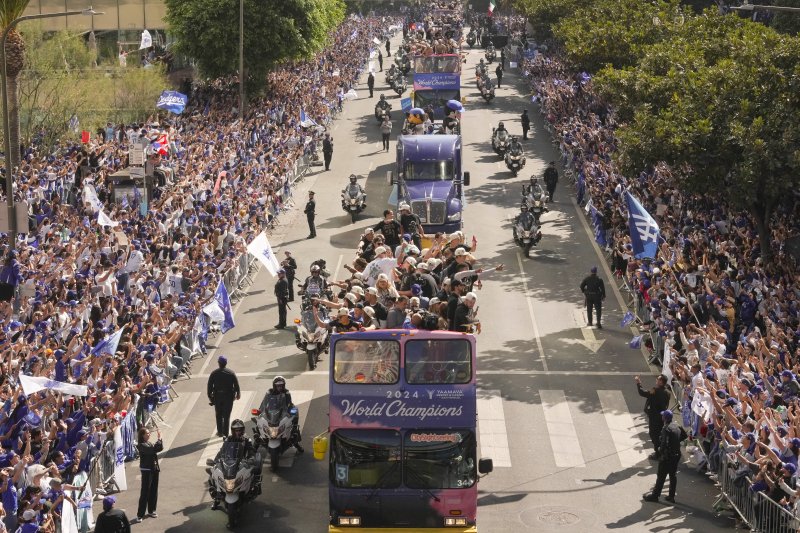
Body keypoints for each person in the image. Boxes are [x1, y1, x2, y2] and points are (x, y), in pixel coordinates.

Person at [644, 410, 686, 504]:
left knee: (661, 476)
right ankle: (671, 496)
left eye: (662, 416)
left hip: (668, 456)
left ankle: (655, 495)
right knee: (672, 475)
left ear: (664, 418)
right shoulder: (676, 425)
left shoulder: (666, 429)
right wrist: (675, 442)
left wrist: (660, 451)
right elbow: (684, 435)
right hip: (676, 455)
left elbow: (664, 444)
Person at [260, 376, 304, 452]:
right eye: (278, 386)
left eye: (281, 385)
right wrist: (261, 410)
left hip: (283, 411)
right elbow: (264, 403)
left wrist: (290, 410)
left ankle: (295, 438)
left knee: (295, 411)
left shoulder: (286, 392)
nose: (280, 387)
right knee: (259, 421)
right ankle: (255, 444)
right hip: (271, 411)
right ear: (274, 386)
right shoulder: (269, 392)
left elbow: (289, 403)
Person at [131, 427, 162, 524]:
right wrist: (159, 438)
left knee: (153, 490)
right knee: (145, 492)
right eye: (147, 433)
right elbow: (153, 450)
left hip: (154, 468)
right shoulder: (141, 445)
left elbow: (159, 448)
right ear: (142, 435)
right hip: (147, 471)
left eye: (149, 433)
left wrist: (159, 439)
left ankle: (151, 510)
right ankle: (140, 515)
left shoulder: (149, 443)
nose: (149, 434)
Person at [636, 374, 671, 460]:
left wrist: (638, 383)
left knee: (654, 435)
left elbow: (642, 392)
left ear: (661, 382)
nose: (656, 380)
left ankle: (658, 453)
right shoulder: (668, 392)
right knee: (660, 434)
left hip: (654, 417)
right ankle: (662, 450)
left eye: (658, 379)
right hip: (662, 417)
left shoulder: (655, 391)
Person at [207, 355, 241, 438]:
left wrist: (210, 397)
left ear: (219, 363)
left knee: (218, 415)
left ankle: (220, 432)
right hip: (228, 397)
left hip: (218, 397)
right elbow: (236, 384)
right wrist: (238, 394)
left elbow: (209, 386)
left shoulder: (214, 373)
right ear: (226, 363)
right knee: (226, 416)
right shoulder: (231, 373)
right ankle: (225, 433)